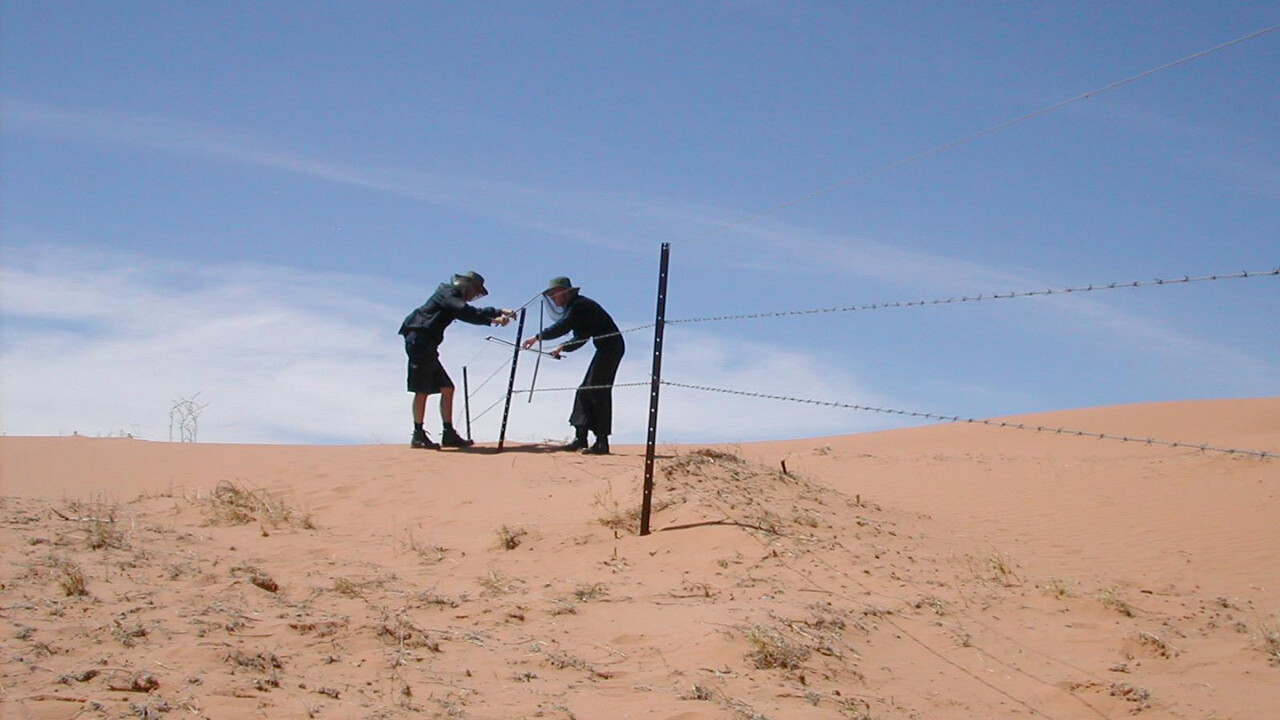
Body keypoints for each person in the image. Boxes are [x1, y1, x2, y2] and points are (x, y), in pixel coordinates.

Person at [399, 271, 515, 449]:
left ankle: (448, 433)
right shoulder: (447, 294)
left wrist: (497, 312)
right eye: (474, 290)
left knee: (447, 388)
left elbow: (469, 311)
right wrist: (493, 320)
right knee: (422, 389)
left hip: (427, 344)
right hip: (419, 340)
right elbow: (465, 311)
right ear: (466, 285)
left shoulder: (452, 298)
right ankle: (418, 435)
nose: (474, 295)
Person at [522, 276, 624, 455]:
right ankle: (580, 438)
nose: (553, 299)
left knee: (597, 390)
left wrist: (537, 337)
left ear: (564, 292)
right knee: (584, 391)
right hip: (605, 348)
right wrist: (563, 347)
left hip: (611, 347)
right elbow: (581, 336)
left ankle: (602, 442)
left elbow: (562, 326)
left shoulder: (580, 306)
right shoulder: (576, 307)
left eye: (554, 294)